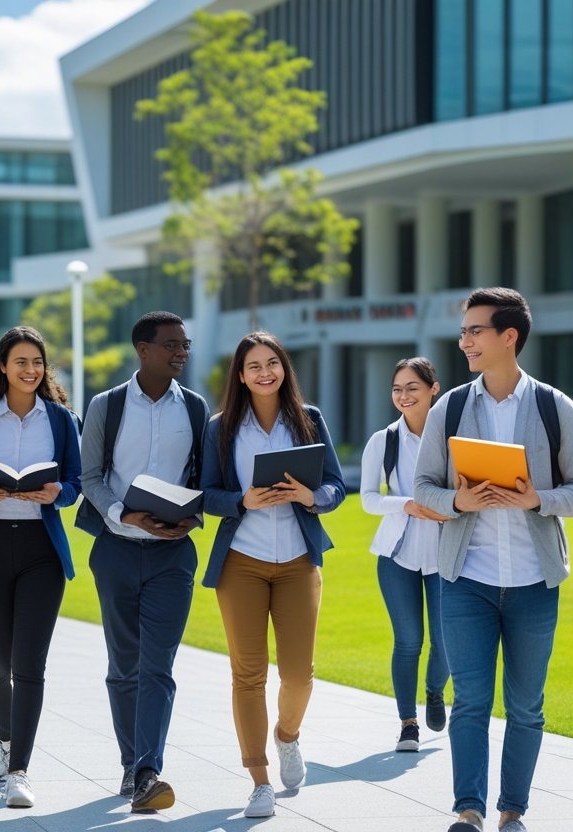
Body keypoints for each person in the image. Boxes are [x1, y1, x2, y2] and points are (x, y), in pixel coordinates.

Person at [414, 288, 573, 832]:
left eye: (476, 331)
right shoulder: (448, 408)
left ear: (509, 336)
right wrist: (458, 502)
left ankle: (512, 812)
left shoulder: (554, 406)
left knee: (526, 707)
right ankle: (468, 810)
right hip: (465, 580)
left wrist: (538, 498)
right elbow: (422, 487)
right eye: (464, 332)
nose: (465, 341)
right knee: (470, 702)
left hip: (535, 582)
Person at [199, 331, 345, 819]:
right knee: (248, 674)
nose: (265, 373)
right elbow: (206, 494)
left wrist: (310, 496)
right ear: (241, 376)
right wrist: (242, 500)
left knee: (299, 674)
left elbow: (335, 486)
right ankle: (259, 780)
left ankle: (288, 735)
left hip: (299, 561)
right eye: (254, 366)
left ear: (284, 368)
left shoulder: (309, 419)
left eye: (273, 363)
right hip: (241, 561)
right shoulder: (220, 428)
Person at [77, 311, 209, 812]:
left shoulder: (195, 408)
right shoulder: (106, 406)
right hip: (115, 549)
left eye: (185, 344)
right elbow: (90, 476)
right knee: (123, 667)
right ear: (143, 349)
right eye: (171, 344)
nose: (181, 352)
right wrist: (123, 514)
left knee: (158, 666)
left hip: (173, 554)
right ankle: (133, 765)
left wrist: (191, 517)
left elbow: (203, 477)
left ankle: (148, 771)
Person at [0, 325, 82, 810]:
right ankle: (6, 742)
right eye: (21, 362)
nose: (30, 370)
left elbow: (75, 482)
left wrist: (58, 493)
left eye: (37, 362)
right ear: (3, 366)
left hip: (41, 550)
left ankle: (20, 770)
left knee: (30, 665)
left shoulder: (62, 420)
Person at [359, 357, 451, 753]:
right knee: (409, 641)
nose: (403, 395)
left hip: (447, 555)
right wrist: (408, 505)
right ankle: (408, 724)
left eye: (412, 387)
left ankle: (434, 690)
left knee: (445, 642)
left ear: (433, 389)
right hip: (396, 556)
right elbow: (367, 499)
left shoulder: (453, 436)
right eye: (397, 389)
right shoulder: (384, 440)